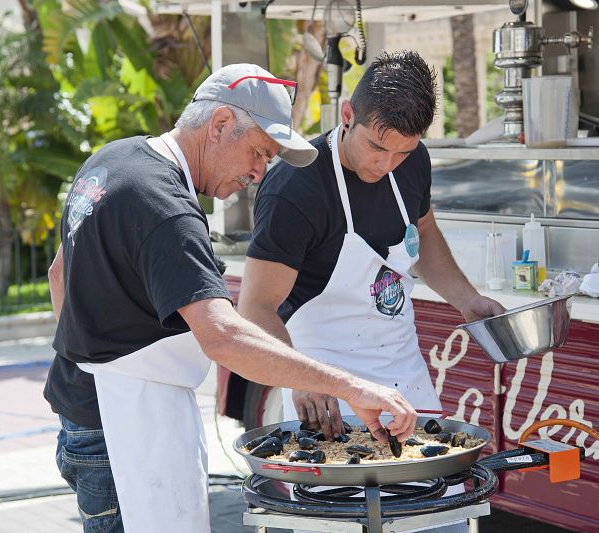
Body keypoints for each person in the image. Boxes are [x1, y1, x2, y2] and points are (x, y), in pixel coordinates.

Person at [44, 63, 418, 533]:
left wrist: (91, 360)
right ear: (220, 124)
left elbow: (61, 274)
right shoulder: (166, 207)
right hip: (123, 431)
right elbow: (223, 337)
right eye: (259, 152)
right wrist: (351, 387)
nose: (259, 172)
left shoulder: (110, 162)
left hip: (81, 414)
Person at [238, 51, 504, 531]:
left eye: (403, 152)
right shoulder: (295, 187)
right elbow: (254, 306)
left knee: (436, 514)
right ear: (347, 116)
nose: (387, 164)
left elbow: (423, 235)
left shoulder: (412, 162)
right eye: (378, 148)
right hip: (323, 388)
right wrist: (300, 381)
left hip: (404, 378)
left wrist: (467, 299)